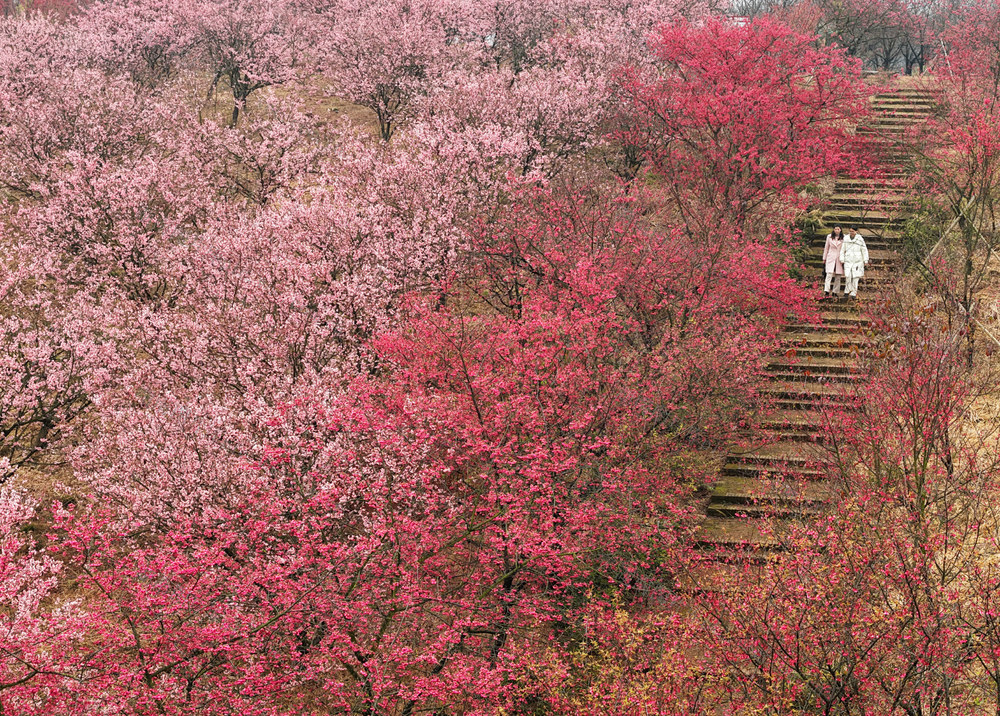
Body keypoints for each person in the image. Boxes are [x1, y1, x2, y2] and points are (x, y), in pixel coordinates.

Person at [838, 226, 869, 300]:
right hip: (848, 260)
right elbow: (842, 250)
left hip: (857, 261)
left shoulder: (860, 239)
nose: (851, 233)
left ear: (856, 231)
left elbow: (864, 250)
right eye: (850, 231)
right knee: (848, 276)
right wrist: (842, 259)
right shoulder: (846, 239)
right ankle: (846, 292)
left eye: (853, 231)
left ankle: (853, 293)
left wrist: (865, 260)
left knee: (855, 277)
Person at [822, 225, 845, 299]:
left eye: (838, 229)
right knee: (829, 275)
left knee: (838, 276)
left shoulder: (844, 238)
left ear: (840, 230)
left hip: (839, 258)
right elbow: (826, 248)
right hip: (831, 257)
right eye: (835, 229)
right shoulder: (829, 237)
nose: (836, 230)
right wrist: (824, 258)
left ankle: (835, 292)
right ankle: (826, 290)